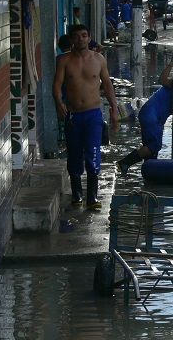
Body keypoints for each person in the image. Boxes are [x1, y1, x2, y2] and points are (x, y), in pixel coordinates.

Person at [53, 24, 119, 209]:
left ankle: (92, 197)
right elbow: (57, 85)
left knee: (93, 154)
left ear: (89, 38)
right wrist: (59, 103)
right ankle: (77, 195)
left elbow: (107, 85)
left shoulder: (99, 59)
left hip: (93, 115)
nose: (81, 39)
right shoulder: (64, 61)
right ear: (72, 40)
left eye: (84, 35)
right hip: (73, 116)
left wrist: (114, 109)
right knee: (74, 156)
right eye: (77, 36)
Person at [116, 61, 173, 174]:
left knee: (152, 150)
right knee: (153, 146)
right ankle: (124, 163)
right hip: (151, 116)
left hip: (151, 116)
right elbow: (162, 79)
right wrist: (171, 64)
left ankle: (149, 174)